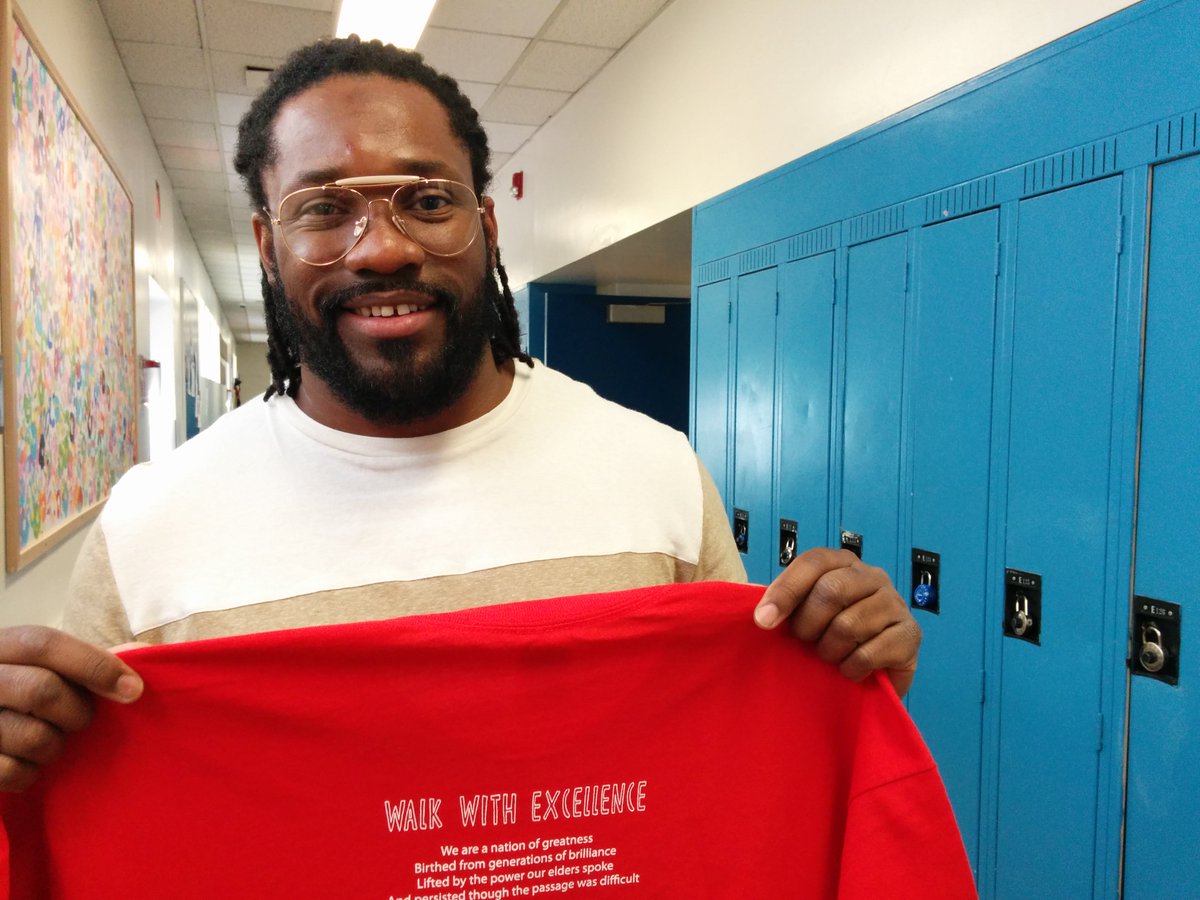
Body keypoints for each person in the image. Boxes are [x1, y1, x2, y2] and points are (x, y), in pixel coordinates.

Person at [0, 36, 920, 793]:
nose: (385, 248)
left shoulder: (651, 471)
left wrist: (840, 671)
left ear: (484, 222)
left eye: (427, 200)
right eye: (324, 208)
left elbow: (734, 752)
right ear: (265, 247)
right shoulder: (154, 523)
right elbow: (78, 803)